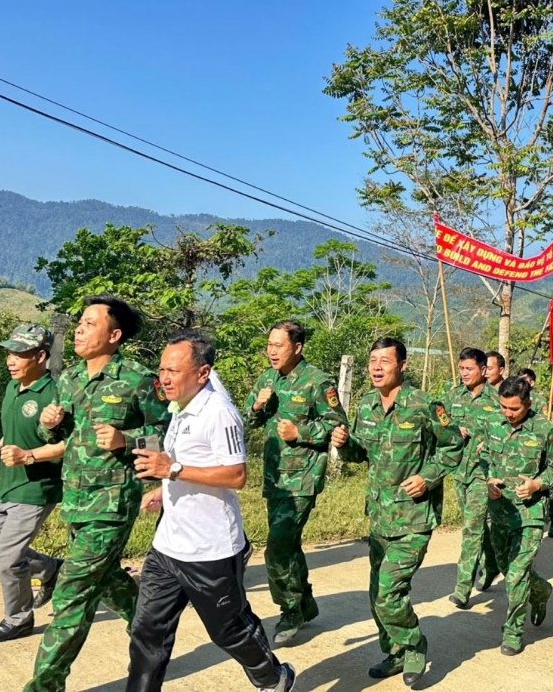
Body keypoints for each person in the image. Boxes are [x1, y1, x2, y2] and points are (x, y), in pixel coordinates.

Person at [126, 330, 295, 692]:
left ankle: (274, 679)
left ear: (202, 373)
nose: (165, 378)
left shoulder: (220, 413)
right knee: (146, 631)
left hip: (210, 551)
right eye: (162, 369)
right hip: (167, 546)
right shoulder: (180, 408)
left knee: (228, 630)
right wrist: (164, 485)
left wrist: (170, 471)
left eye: (174, 370)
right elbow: (186, 463)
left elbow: (236, 475)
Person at [24, 296, 171, 692]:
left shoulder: (139, 379)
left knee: (72, 594)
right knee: (107, 582)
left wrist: (127, 440)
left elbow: (169, 437)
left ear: (115, 335)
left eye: (90, 324)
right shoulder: (70, 378)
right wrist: (48, 423)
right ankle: (152, 631)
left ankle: (44, 685)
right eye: (80, 323)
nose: (79, 329)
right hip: (74, 500)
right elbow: (61, 437)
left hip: (111, 504)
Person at [334, 338, 463, 688]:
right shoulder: (365, 406)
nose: (376, 367)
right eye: (372, 361)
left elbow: (453, 447)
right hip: (379, 515)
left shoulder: (424, 405)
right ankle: (394, 653)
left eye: (384, 361)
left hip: (414, 518)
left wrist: (427, 477)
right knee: (377, 594)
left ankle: (414, 642)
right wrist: (345, 445)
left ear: (402, 365)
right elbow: (362, 454)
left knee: (389, 592)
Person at [242, 321, 349, 646]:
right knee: (288, 544)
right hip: (275, 477)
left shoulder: (318, 382)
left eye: (279, 345)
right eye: (269, 345)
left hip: (302, 478)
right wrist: (258, 406)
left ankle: (290, 611)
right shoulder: (267, 378)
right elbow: (249, 420)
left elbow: (338, 426)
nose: (272, 351)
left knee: (277, 548)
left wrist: (299, 433)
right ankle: (305, 602)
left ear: (298, 347)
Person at [0, 324, 66, 643]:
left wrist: (27, 455)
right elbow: (15, 427)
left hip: (36, 488)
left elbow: (70, 443)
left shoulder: (55, 395)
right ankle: (50, 569)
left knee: (9, 557)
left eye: (20, 354)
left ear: (41, 356)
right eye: (10, 353)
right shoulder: (13, 387)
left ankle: (19, 618)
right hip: (7, 485)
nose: (11, 360)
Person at [482, 377, 553, 655]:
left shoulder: (545, 429)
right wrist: (489, 480)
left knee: (515, 575)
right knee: (506, 567)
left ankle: (513, 631)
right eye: (503, 407)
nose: (508, 413)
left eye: (514, 409)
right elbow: (485, 459)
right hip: (500, 512)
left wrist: (537, 484)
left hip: (530, 514)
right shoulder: (493, 424)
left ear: (527, 403)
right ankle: (540, 590)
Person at [444, 347, 502, 609]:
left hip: (483, 473)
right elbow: (438, 422)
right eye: (462, 368)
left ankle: (462, 587)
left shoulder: (497, 398)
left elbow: (508, 429)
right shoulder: (453, 395)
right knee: (477, 525)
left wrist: (489, 442)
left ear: (483, 369)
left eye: (469, 369)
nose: (464, 373)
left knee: (471, 528)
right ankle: (492, 564)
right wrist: (453, 429)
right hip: (460, 470)